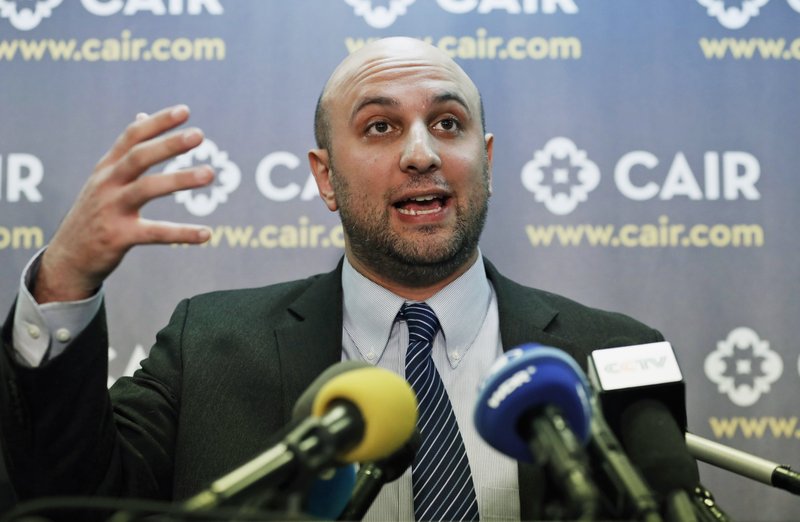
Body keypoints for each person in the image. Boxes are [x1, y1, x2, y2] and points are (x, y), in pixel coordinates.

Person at [0, 37, 664, 520]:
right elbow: (68, 498)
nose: (421, 153)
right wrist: (64, 281)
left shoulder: (611, 352)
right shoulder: (211, 346)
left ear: (484, 160)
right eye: (380, 127)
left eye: (448, 124)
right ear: (325, 177)